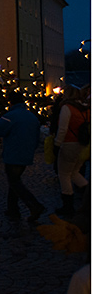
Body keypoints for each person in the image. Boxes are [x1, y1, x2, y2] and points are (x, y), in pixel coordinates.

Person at [0, 91, 45, 223]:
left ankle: (34, 205)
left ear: (10, 102)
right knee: (14, 181)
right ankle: (12, 208)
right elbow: (37, 136)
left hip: (13, 153)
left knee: (14, 182)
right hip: (26, 153)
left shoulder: (10, 117)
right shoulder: (31, 116)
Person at [53, 86, 89, 217]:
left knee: (64, 174)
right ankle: (87, 193)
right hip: (83, 145)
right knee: (74, 172)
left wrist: (56, 145)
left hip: (69, 143)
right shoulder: (86, 109)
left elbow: (62, 128)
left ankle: (68, 205)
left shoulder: (67, 108)